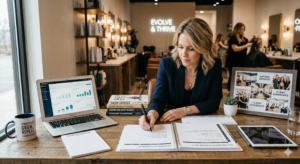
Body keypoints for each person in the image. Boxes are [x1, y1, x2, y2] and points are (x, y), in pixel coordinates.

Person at [139, 18, 223, 131]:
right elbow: (158, 100)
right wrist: (152, 114)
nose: (183, 54)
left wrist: (184, 110)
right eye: (180, 47)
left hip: (201, 128)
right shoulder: (167, 64)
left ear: (203, 48)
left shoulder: (214, 65)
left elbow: (214, 102)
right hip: (169, 125)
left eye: (191, 49)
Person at [225, 23, 254, 91]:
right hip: (233, 60)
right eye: (241, 29)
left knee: (239, 77)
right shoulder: (233, 37)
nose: (242, 31)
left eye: (243, 29)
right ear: (237, 29)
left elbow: (249, 41)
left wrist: (253, 38)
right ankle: (231, 92)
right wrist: (246, 46)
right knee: (233, 76)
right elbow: (235, 49)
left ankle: (237, 90)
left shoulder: (242, 37)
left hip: (241, 60)